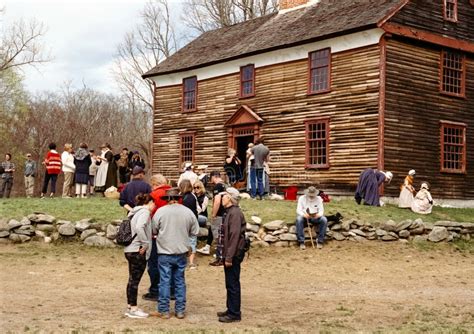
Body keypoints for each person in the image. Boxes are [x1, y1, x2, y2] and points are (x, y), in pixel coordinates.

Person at [151, 188, 199, 319]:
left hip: (165, 252)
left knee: (164, 281)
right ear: (178, 198)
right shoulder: (188, 212)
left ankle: (164, 310)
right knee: (179, 281)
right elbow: (194, 231)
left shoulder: (160, 212)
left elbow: (154, 230)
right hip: (181, 252)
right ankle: (180, 310)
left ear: (167, 199)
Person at [216, 187, 246, 323]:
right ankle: (231, 308)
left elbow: (234, 236)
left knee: (233, 283)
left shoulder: (235, 213)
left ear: (230, 199)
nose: (222, 198)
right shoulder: (229, 212)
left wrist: (229, 257)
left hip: (233, 254)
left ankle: (234, 313)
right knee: (229, 283)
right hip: (229, 253)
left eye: (225, 196)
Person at [124, 193, 155, 319]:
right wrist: (146, 243)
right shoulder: (144, 213)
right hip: (138, 251)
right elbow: (139, 227)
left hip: (129, 249)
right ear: (149, 203)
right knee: (135, 280)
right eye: (153, 203)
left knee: (132, 279)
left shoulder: (134, 212)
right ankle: (134, 308)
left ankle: (130, 306)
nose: (154, 206)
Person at [142, 174, 172, 302]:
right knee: (170, 263)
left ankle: (155, 289)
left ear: (154, 183)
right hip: (172, 235)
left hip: (156, 234)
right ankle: (171, 290)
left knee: (154, 262)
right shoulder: (174, 195)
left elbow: (149, 213)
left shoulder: (154, 196)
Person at [197, 171, 226, 266]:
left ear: (214, 177)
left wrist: (213, 214)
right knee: (217, 232)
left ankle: (220, 255)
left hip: (219, 214)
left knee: (218, 234)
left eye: (211, 178)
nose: (211, 181)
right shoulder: (225, 185)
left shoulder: (217, 187)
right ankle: (209, 247)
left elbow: (217, 201)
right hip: (225, 213)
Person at [179, 179, 199, 270]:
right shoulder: (193, 196)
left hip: (181, 221)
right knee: (192, 240)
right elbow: (197, 209)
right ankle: (191, 263)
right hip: (192, 220)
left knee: (182, 240)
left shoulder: (179, 197)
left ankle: (181, 260)